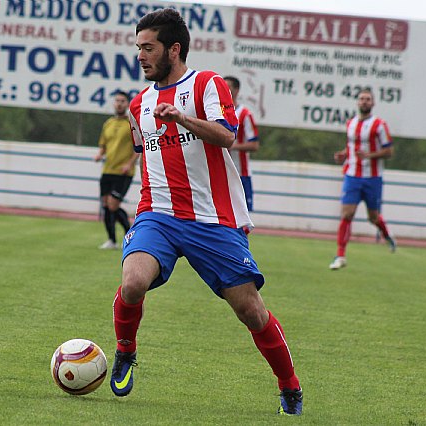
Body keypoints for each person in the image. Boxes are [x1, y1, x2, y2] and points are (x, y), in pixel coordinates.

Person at [109, 8, 302, 415]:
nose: (140, 56)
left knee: (250, 310)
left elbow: (227, 136)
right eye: (138, 48)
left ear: (173, 49)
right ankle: (126, 350)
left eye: (148, 48)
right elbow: (148, 159)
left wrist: (182, 117)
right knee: (132, 283)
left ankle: (289, 384)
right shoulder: (138, 105)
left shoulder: (207, 84)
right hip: (158, 214)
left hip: (212, 219)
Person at [329, 88, 396, 270]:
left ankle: (387, 234)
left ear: (373, 103)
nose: (364, 102)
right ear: (357, 102)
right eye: (361, 99)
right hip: (352, 176)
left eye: (368, 99)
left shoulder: (379, 125)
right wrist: (343, 155)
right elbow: (351, 147)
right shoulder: (350, 123)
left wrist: (369, 155)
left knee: (373, 217)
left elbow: (389, 151)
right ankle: (340, 255)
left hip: (372, 178)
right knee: (347, 214)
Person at [94, 91, 139, 249]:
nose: (119, 103)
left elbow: (138, 147)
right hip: (108, 170)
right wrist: (100, 154)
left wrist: (130, 163)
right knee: (106, 205)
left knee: (113, 205)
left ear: (127, 104)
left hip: (123, 172)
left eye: (122, 101)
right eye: (117, 100)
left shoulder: (131, 123)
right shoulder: (108, 123)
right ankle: (112, 240)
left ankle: (130, 235)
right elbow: (103, 145)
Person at [224, 76, 260, 211]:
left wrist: (231, 145)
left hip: (241, 173)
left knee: (241, 215)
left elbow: (254, 145)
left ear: (237, 90)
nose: (225, 90)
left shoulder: (245, 114)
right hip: (221, 172)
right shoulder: (216, 112)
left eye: (229, 87)